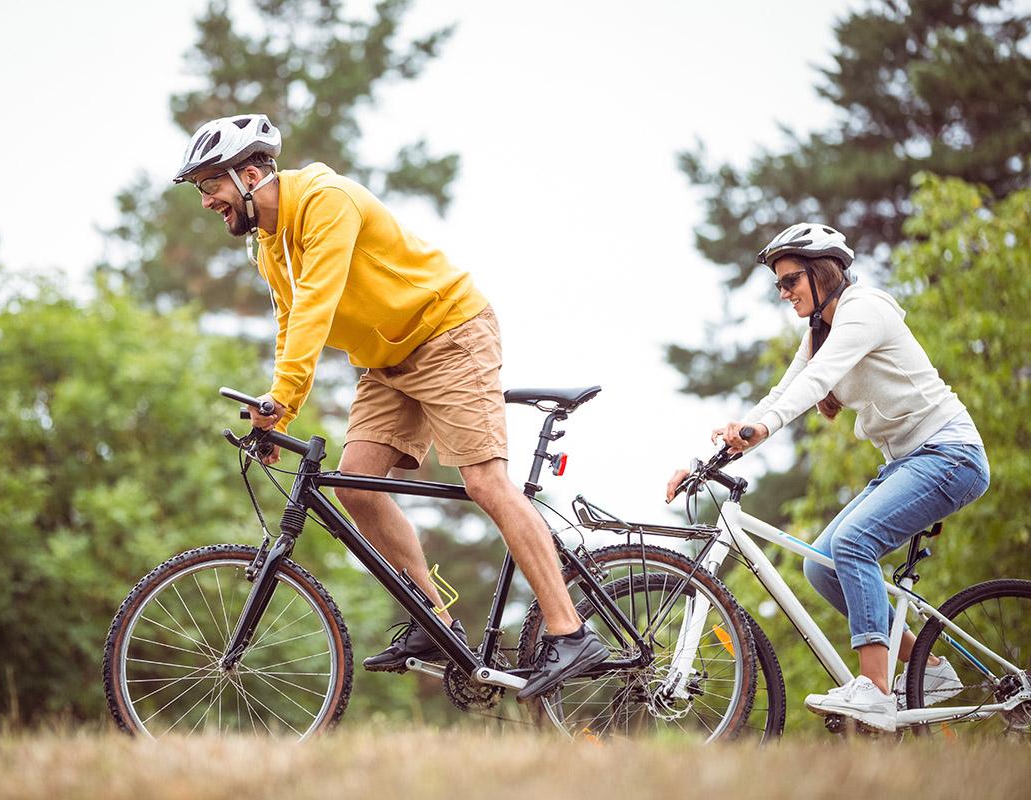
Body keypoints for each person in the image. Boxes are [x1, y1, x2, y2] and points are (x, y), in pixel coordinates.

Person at [173, 114, 608, 701]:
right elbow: (289, 325)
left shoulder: (325, 200)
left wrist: (283, 395)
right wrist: (282, 411)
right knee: (355, 487)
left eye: (211, 186)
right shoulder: (268, 246)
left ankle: (570, 631)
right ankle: (436, 622)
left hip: (448, 329)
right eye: (201, 190)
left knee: (484, 482)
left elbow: (316, 307)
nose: (207, 201)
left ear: (251, 174)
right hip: (386, 360)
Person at [665, 223, 990, 732]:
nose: (784, 293)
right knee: (821, 565)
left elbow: (817, 381)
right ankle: (930, 668)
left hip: (950, 455)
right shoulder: (820, 330)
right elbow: (782, 392)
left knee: (854, 543)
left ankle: (876, 691)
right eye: (778, 285)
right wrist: (716, 451)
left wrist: (761, 427)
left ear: (823, 273)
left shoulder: (864, 310)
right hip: (908, 462)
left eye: (790, 280)